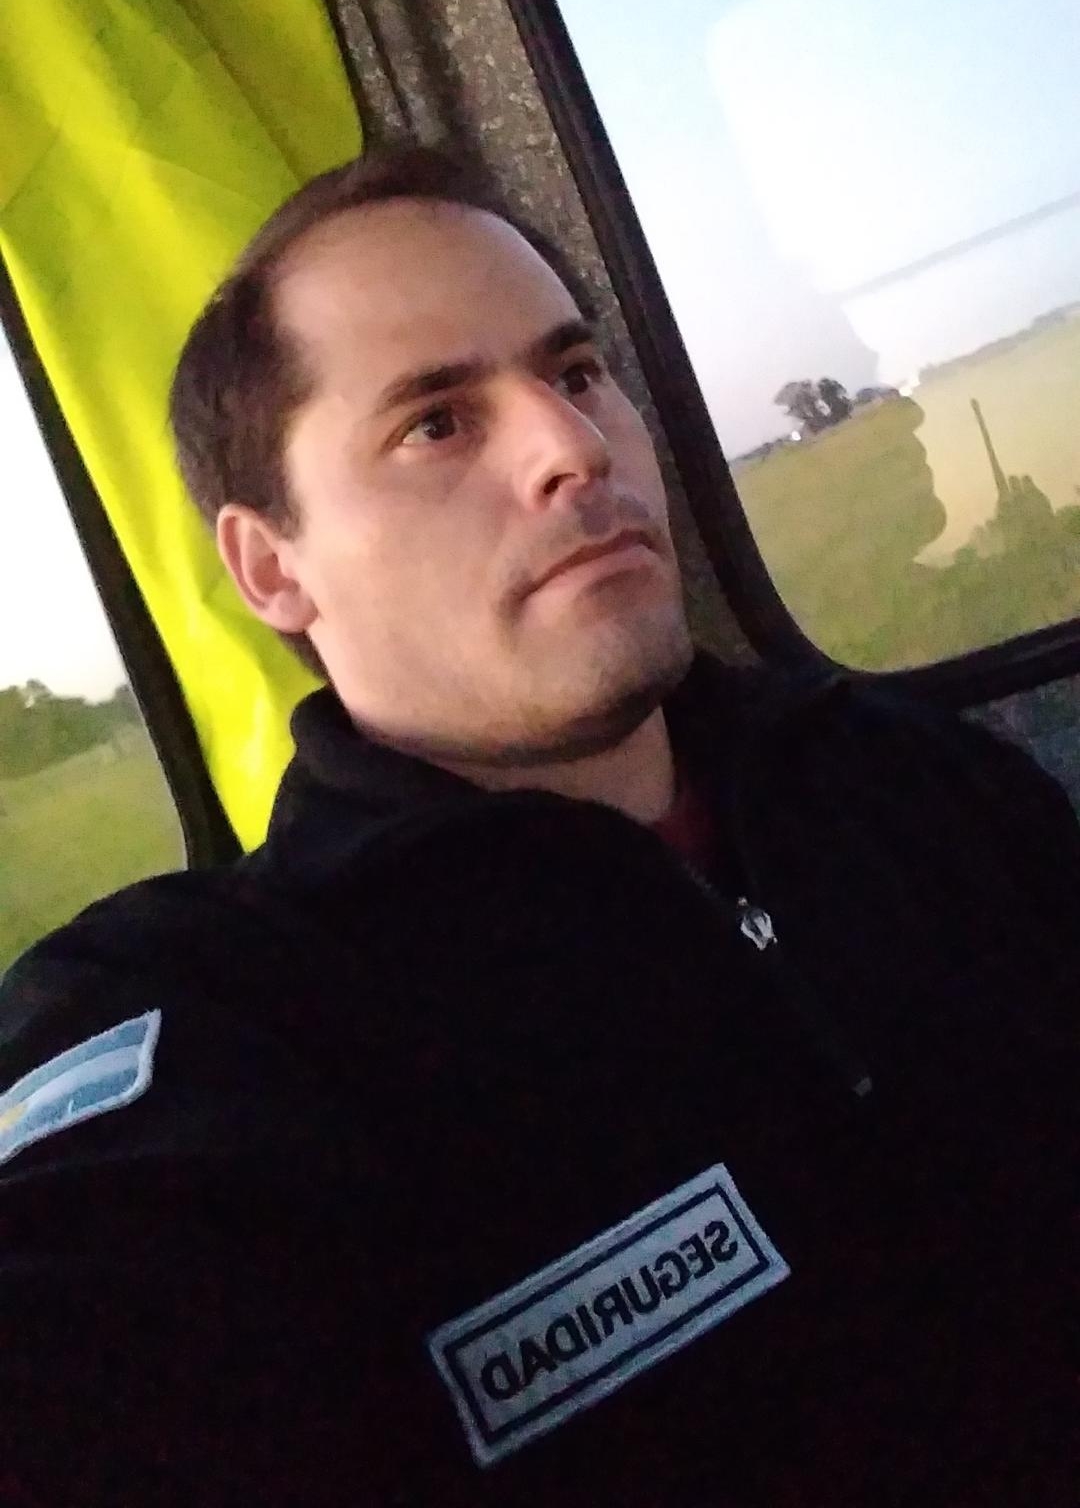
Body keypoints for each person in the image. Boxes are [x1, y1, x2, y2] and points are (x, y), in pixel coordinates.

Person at [1, 144, 1078, 1508]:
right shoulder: (221, 1016)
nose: (575, 447)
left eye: (575, 373)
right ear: (273, 567)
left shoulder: (910, 774)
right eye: (437, 423)